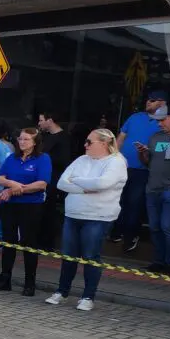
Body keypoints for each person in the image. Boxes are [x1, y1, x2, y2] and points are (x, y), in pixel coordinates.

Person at [45, 129, 128, 310]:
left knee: (90, 256)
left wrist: (77, 180)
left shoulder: (116, 162)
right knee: (68, 255)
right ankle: (62, 291)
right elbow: (61, 183)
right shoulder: (81, 160)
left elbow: (102, 184)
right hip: (73, 214)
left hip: (98, 216)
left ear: (104, 144)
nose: (85, 145)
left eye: (89, 142)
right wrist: (85, 187)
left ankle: (88, 296)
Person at [0, 127, 51, 296]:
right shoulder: (12, 158)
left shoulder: (42, 159)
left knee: (29, 242)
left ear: (35, 142)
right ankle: (5, 279)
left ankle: (29, 283)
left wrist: (15, 189)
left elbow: (41, 184)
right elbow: (0, 178)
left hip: (31, 205)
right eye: (20, 139)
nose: (22, 142)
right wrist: (13, 186)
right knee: (8, 241)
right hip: (11, 205)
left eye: (26, 139)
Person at [139, 105, 170, 276]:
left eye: (162, 120)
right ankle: (157, 262)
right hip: (152, 188)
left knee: (167, 226)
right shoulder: (155, 137)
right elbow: (148, 163)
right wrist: (142, 153)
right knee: (154, 227)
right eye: (157, 121)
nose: (159, 124)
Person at [115, 92, 165, 252]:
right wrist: (113, 158)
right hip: (122, 167)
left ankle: (130, 237)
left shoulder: (164, 122)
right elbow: (121, 138)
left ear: (162, 103)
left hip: (143, 169)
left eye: (152, 100)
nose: (147, 102)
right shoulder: (135, 117)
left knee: (134, 203)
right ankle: (117, 232)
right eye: (148, 99)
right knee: (118, 200)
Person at [37, 111, 70, 250]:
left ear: (49, 120)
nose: (39, 123)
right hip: (42, 178)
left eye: (41, 120)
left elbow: (64, 160)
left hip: (54, 180)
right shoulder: (44, 137)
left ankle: (48, 243)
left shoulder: (64, 138)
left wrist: (45, 159)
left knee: (49, 210)